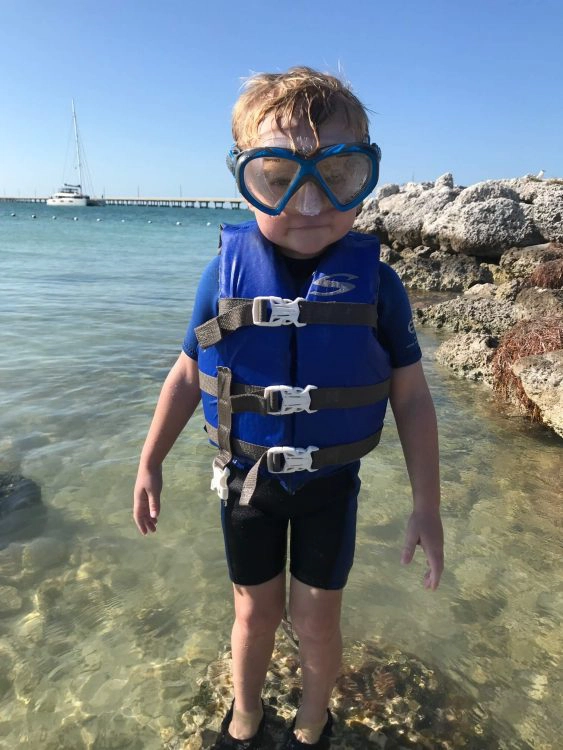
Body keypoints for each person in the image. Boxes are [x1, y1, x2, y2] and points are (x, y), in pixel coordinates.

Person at [133, 66, 443, 750]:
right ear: (245, 180)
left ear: (365, 177)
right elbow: (188, 372)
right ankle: (244, 716)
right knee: (252, 615)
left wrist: (426, 504)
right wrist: (149, 460)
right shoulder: (223, 276)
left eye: (336, 178)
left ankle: (312, 720)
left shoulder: (380, 286)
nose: (309, 206)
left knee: (317, 620)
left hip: (330, 487)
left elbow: (413, 398)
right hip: (247, 486)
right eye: (278, 180)